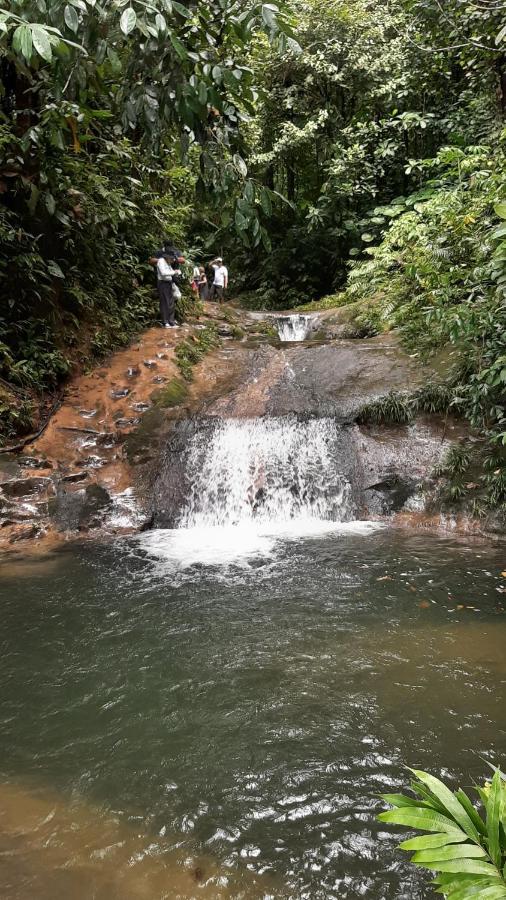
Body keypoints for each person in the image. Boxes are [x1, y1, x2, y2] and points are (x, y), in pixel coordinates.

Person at [156, 255, 179, 328]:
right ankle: (165, 322)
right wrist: (174, 272)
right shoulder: (161, 261)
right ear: (168, 257)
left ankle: (171, 321)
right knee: (165, 303)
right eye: (172, 259)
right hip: (163, 283)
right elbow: (163, 273)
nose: (173, 261)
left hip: (169, 283)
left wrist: (176, 272)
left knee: (171, 303)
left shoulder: (168, 263)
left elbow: (171, 272)